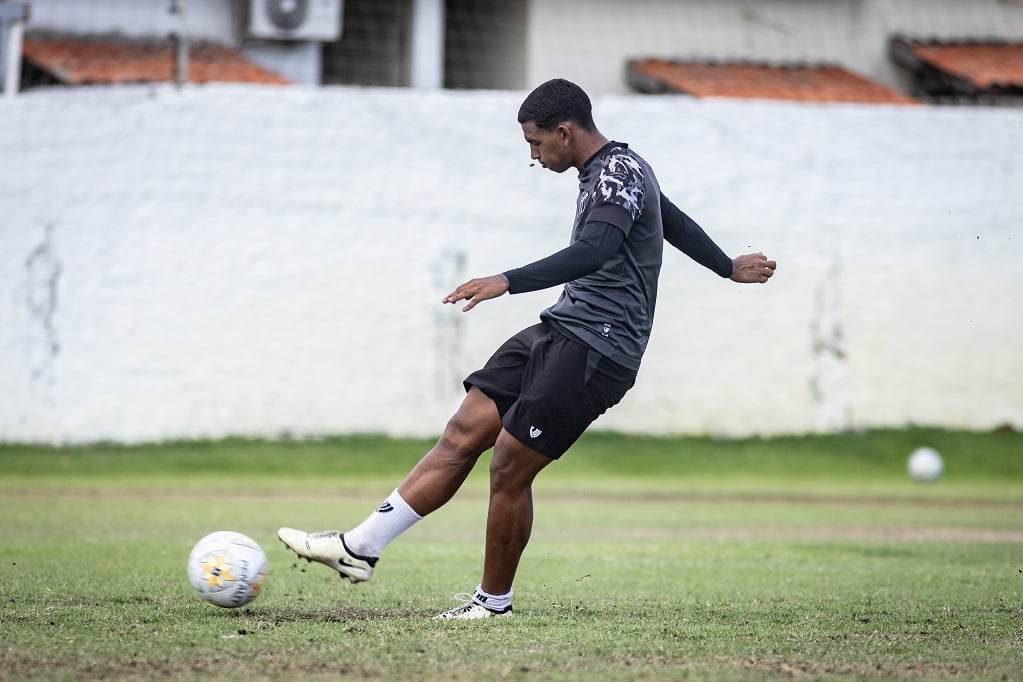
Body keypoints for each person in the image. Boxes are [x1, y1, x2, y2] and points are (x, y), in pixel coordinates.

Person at [278, 78, 776, 619]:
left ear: (565, 132)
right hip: (561, 327)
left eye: (536, 144)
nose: (534, 157)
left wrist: (507, 280)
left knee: (509, 466)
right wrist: (726, 266)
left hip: (599, 346)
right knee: (465, 429)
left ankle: (492, 605)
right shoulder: (618, 173)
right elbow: (670, 218)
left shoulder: (618, 172)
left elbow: (594, 251)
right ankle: (359, 548)